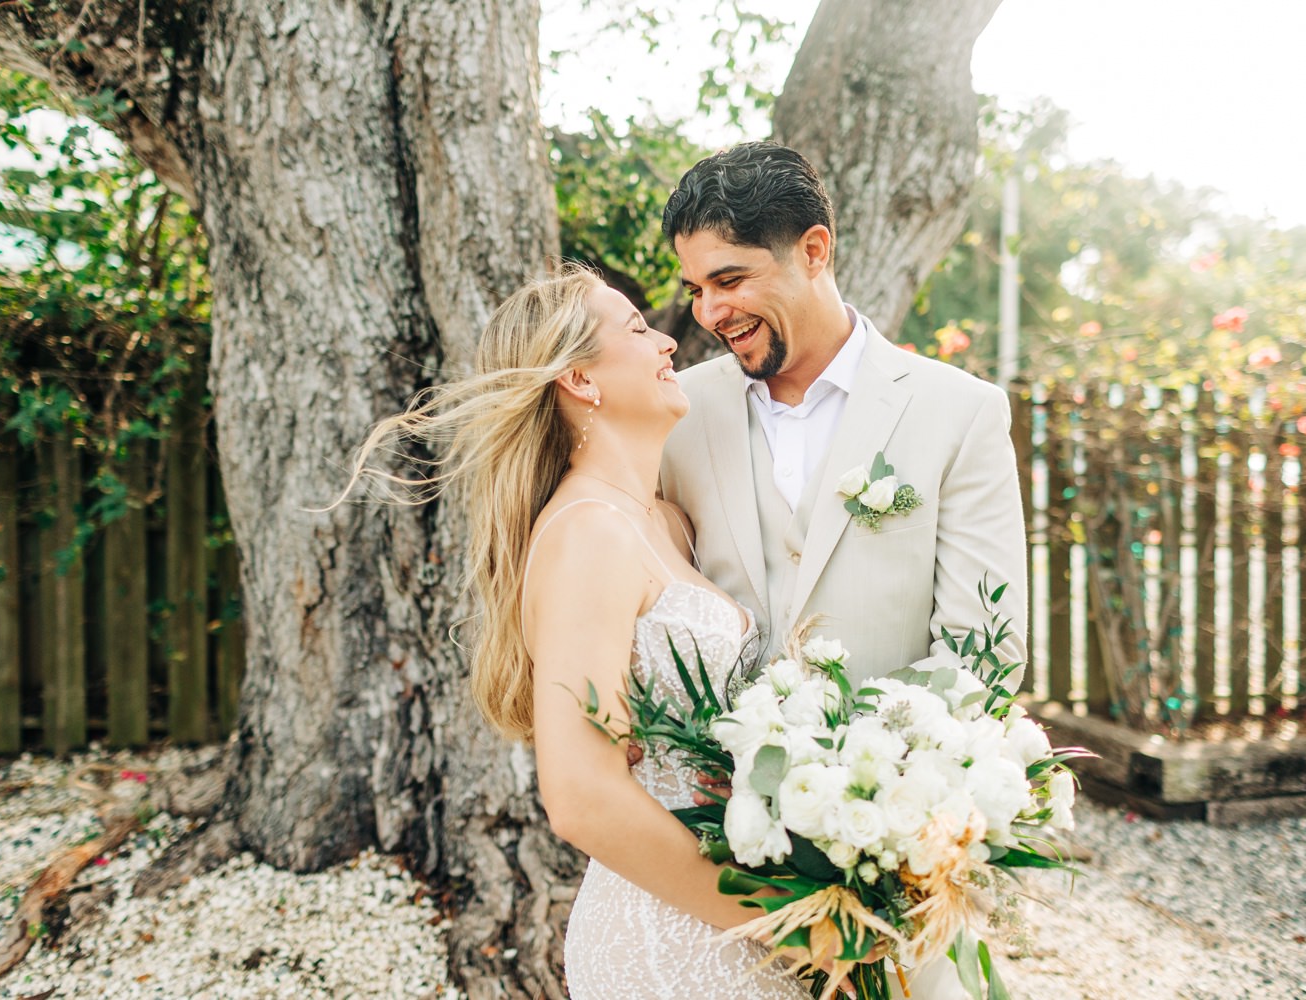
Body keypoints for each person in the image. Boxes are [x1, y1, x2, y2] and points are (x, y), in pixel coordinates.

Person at [338, 266, 811, 998]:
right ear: (581, 382)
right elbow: (581, 795)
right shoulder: (587, 533)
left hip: (736, 917)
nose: (666, 339)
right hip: (673, 938)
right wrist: (787, 919)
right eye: (634, 328)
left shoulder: (666, 522)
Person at [658, 140, 1030, 999]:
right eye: (697, 290)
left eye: (732, 278)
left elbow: (984, 649)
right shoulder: (681, 411)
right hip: (716, 862)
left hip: (889, 855)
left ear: (815, 250)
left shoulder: (958, 412)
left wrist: (856, 801)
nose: (710, 311)